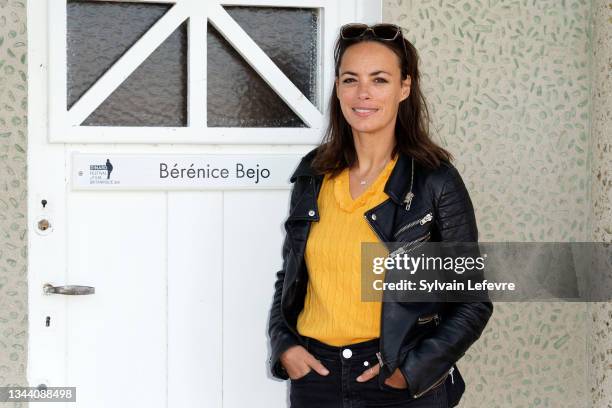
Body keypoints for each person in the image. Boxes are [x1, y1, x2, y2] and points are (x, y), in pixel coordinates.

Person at [267, 23, 493, 408]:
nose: (363, 93)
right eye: (351, 79)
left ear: (404, 88)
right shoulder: (314, 175)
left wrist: (412, 370)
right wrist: (285, 344)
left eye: (380, 80)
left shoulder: (434, 181)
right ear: (338, 88)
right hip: (315, 381)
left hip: (396, 384)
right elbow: (289, 277)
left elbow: (473, 301)